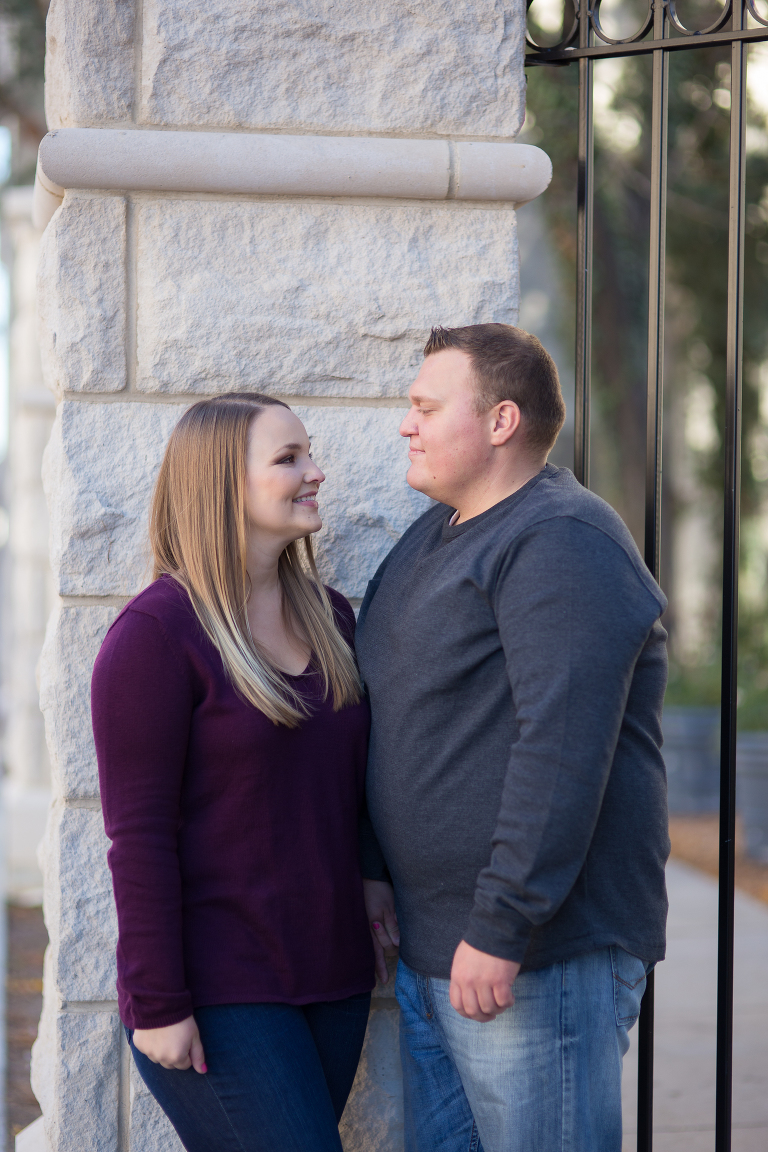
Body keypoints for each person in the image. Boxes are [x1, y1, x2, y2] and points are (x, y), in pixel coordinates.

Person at [356, 324, 670, 1152]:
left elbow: (560, 749)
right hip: (436, 954)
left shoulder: (562, 539)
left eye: (427, 407)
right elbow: (396, 713)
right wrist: (374, 867)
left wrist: (503, 925)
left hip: (535, 962)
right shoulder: (436, 535)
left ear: (501, 420)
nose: (406, 423)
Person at [92, 393, 379, 1152]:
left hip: (334, 975)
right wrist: (157, 1000)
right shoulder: (156, 636)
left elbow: (347, 784)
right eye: (288, 459)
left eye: (309, 454)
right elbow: (138, 837)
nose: (315, 473)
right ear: (222, 484)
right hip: (221, 987)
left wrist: (373, 874)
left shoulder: (332, 617)